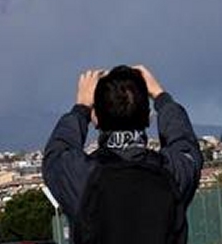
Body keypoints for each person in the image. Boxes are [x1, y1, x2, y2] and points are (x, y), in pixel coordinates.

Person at [42, 65, 203, 244]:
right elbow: (184, 143)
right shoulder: (172, 173)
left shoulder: (82, 177)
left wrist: (81, 108)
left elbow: (57, 151)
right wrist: (161, 96)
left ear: (96, 118)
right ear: (149, 117)